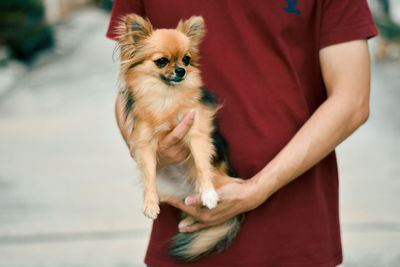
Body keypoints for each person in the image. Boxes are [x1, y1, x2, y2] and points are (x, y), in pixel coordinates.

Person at [107, 1, 378, 266]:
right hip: (187, 227)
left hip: (293, 229)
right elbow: (130, 87)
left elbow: (351, 100)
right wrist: (145, 146)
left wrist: (257, 189)